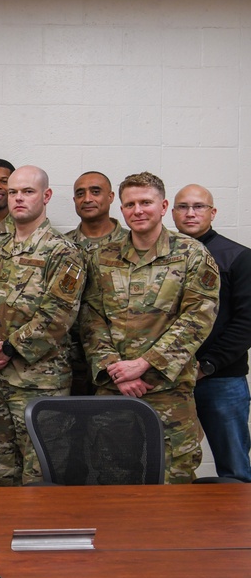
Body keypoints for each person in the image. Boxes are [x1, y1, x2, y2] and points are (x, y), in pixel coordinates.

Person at [81, 172, 219, 483]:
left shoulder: (192, 254)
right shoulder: (103, 256)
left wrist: (144, 365)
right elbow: (91, 317)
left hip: (166, 392)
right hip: (114, 390)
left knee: (173, 485)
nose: (138, 210)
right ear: (121, 209)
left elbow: (198, 318)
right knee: (112, 480)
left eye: (146, 202)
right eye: (130, 204)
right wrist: (115, 369)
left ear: (163, 206)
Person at [0, 165, 85, 486]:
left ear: (46, 196)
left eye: (27, 192)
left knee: (41, 474)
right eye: (12, 192)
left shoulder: (62, 252)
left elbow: (58, 315)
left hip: (40, 382)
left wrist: (8, 347)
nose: (18, 198)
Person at [172, 184, 250, 481]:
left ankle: (240, 527)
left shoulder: (237, 257)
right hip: (169, 379)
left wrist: (207, 365)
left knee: (234, 467)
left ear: (212, 212)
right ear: (171, 211)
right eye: (183, 207)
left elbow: (246, 323)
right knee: (169, 462)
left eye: (198, 206)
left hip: (220, 380)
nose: (190, 213)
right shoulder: (164, 257)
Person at [66, 171, 128, 395]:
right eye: (80, 194)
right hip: (69, 360)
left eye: (95, 191)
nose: (87, 199)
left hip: (120, 359)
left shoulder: (132, 244)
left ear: (111, 197)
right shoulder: (61, 246)